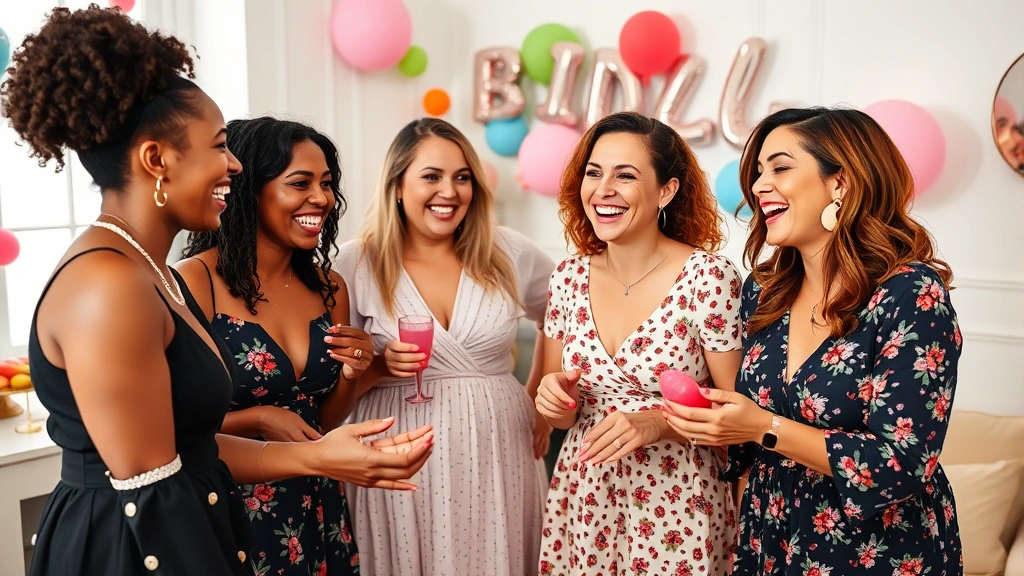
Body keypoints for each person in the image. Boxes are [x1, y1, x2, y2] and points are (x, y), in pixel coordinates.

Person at [0, 6, 431, 575]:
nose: (233, 165)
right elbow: (155, 495)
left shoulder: (143, 270)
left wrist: (318, 455)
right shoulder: (109, 285)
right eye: (219, 146)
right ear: (157, 160)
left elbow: (188, 454)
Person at [664, 107, 963, 574]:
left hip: (877, 550)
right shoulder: (763, 291)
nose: (760, 186)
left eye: (780, 168)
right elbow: (745, 440)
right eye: (758, 172)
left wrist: (762, 426)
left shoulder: (909, 293)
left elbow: (901, 463)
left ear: (840, 183)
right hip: (771, 534)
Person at [334, 118, 555, 576]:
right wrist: (377, 364)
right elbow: (332, 384)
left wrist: (537, 394)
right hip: (397, 455)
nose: (449, 191)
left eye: (462, 177)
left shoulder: (507, 251)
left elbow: (564, 308)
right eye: (431, 177)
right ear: (397, 186)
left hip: (501, 447)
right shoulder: (356, 263)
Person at [534, 112, 743, 575]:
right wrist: (555, 400)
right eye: (594, 172)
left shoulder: (708, 278)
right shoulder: (568, 277)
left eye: (625, 175)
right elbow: (559, 408)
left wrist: (660, 423)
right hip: (586, 492)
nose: (603, 189)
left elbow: (738, 415)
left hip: (678, 498)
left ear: (666, 191)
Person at [178, 117, 369, 575]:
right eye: (299, 183)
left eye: (326, 184)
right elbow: (176, 428)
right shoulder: (196, 281)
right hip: (233, 503)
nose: (321, 198)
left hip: (318, 502)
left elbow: (322, 420)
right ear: (250, 191)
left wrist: (353, 375)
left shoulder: (330, 287)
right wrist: (260, 417)